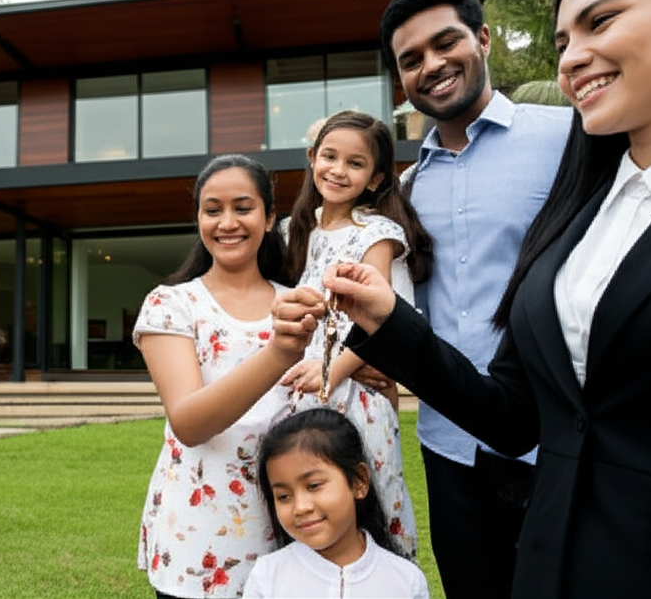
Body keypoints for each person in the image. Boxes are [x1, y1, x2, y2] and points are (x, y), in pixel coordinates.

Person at [295, 0, 651, 596]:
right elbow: (517, 405)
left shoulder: (572, 143)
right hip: (489, 475)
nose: (573, 59)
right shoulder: (441, 192)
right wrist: (387, 323)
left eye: (600, 21)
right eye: (563, 41)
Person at [379, 0, 572, 598]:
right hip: (450, 445)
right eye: (411, 61)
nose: (431, 66)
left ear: (483, 38)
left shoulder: (570, 137)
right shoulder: (404, 193)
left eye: (446, 43)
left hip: (557, 440)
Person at [133, 155, 316, 599]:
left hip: (297, 527)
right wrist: (278, 353)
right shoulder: (171, 305)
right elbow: (189, 423)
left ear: (270, 217)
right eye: (212, 210)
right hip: (200, 536)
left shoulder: (302, 302)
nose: (227, 222)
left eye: (243, 207)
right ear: (198, 218)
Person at [278, 109, 432, 559]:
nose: (338, 170)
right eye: (329, 156)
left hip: (353, 388)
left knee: (367, 499)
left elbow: (378, 319)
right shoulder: (295, 231)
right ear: (312, 158)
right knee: (309, 509)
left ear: (376, 178)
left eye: (355, 163)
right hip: (302, 389)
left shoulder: (377, 234)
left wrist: (331, 371)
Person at [243, 408, 430, 598]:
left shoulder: (406, 581)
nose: (300, 507)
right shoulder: (267, 577)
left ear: (359, 481)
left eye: (314, 485)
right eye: (283, 496)